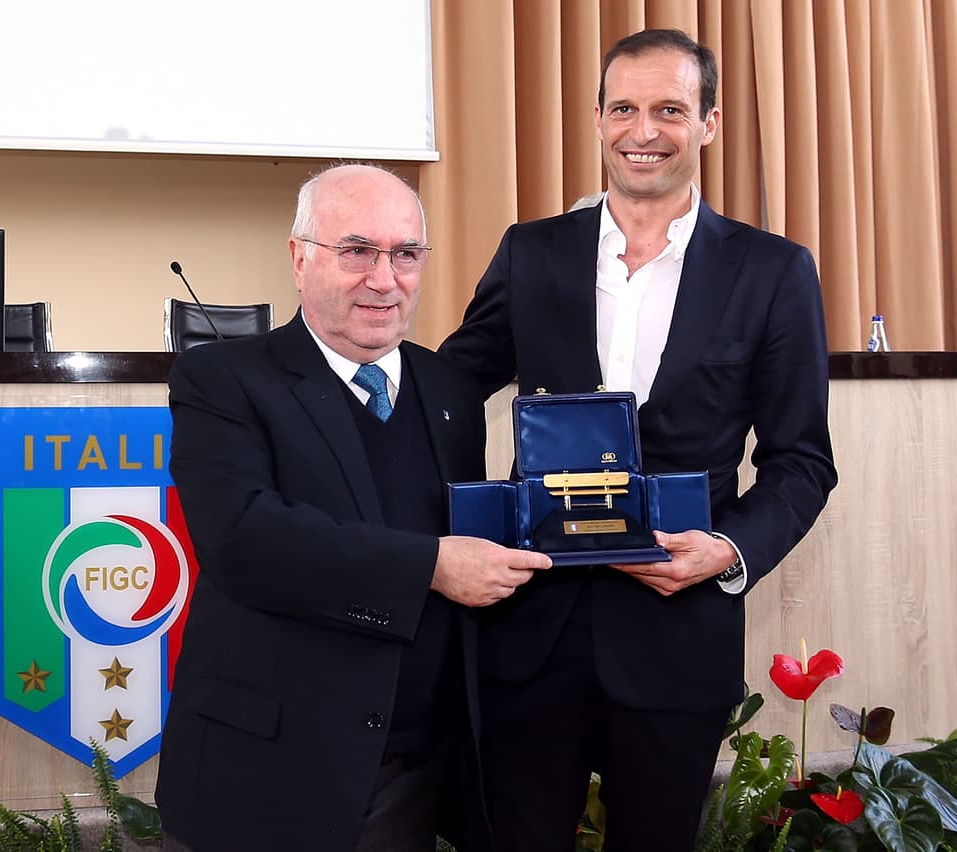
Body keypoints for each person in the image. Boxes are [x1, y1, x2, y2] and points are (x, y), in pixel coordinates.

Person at [438, 29, 839, 851]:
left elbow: (802, 461)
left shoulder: (773, 271)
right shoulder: (532, 252)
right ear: (597, 119)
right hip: (529, 627)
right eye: (624, 108)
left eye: (669, 110)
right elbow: (446, 392)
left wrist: (727, 551)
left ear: (710, 123)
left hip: (675, 632)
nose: (643, 130)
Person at [155, 163, 551, 852]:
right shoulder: (222, 380)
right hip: (271, 772)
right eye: (357, 250)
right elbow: (245, 539)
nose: (383, 277)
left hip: (417, 769)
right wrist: (430, 565)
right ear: (299, 258)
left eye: (405, 254)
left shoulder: (451, 389)